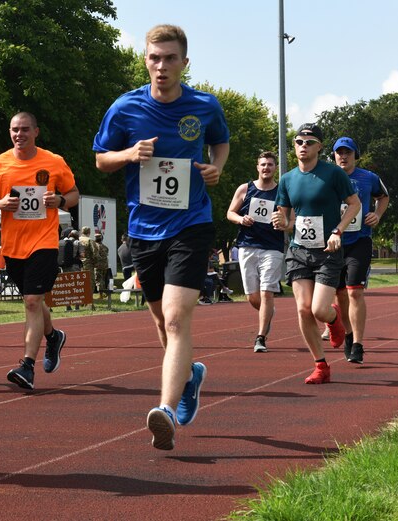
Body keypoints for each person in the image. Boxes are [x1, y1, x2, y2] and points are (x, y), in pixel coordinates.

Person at [93, 24, 230, 450]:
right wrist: (129, 154)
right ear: (145, 61)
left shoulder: (205, 106)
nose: (162, 65)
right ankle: (190, 377)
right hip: (143, 228)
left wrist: (216, 168)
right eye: (155, 57)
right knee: (159, 321)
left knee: (175, 317)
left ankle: (166, 410)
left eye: (171, 58)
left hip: (191, 223)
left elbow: (220, 143)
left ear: (184, 63)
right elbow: (101, 160)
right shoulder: (125, 108)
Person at [0, 111, 79, 390]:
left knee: (33, 301)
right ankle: (53, 336)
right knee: (34, 302)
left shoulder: (53, 162)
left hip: (44, 242)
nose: (18, 134)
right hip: (13, 246)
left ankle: (27, 366)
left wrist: (58, 199)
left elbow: (73, 195)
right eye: (14, 130)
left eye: (24, 129)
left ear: (36, 132)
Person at [272, 123, 360, 385]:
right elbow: (287, 220)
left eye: (309, 142)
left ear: (319, 147)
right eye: (299, 142)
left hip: (328, 251)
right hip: (298, 251)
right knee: (302, 310)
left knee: (319, 309)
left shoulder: (333, 174)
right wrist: (281, 223)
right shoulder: (287, 179)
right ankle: (321, 366)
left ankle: (334, 321)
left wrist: (338, 231)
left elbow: (354, 204)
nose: (303, 146)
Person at [331, 136, 389, 364]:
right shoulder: (326, 176)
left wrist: (377, 214)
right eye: (339, 152)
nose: (343, 156)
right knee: (341, 295)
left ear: (356, 155)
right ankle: (347, 334)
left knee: (354, 291)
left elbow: (383, 197)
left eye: (348, 152)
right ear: (334, 155)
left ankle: (357, 344)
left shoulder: (369, 178)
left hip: (360, 241)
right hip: (332, 243)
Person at [226, 151, 286, 352]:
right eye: (263, 164)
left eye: (270, 164)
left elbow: (291, 220)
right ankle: (268, 312)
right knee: (253, 297)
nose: (266, 168)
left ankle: (260, 338)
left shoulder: (282, 192)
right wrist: (241, 219)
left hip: (272, 248)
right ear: (257, 167)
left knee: (266, 292)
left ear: (275, 168)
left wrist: (284, 223)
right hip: (247, 245)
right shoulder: (245, 189)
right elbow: (230, 213)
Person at [93, 232, 110, 296]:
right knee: (104, 279)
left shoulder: (95, 247)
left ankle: (101, 295)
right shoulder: (105, 247)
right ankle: (105, 292)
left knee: (98, 280)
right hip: (105, 265)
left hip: (98, 266)